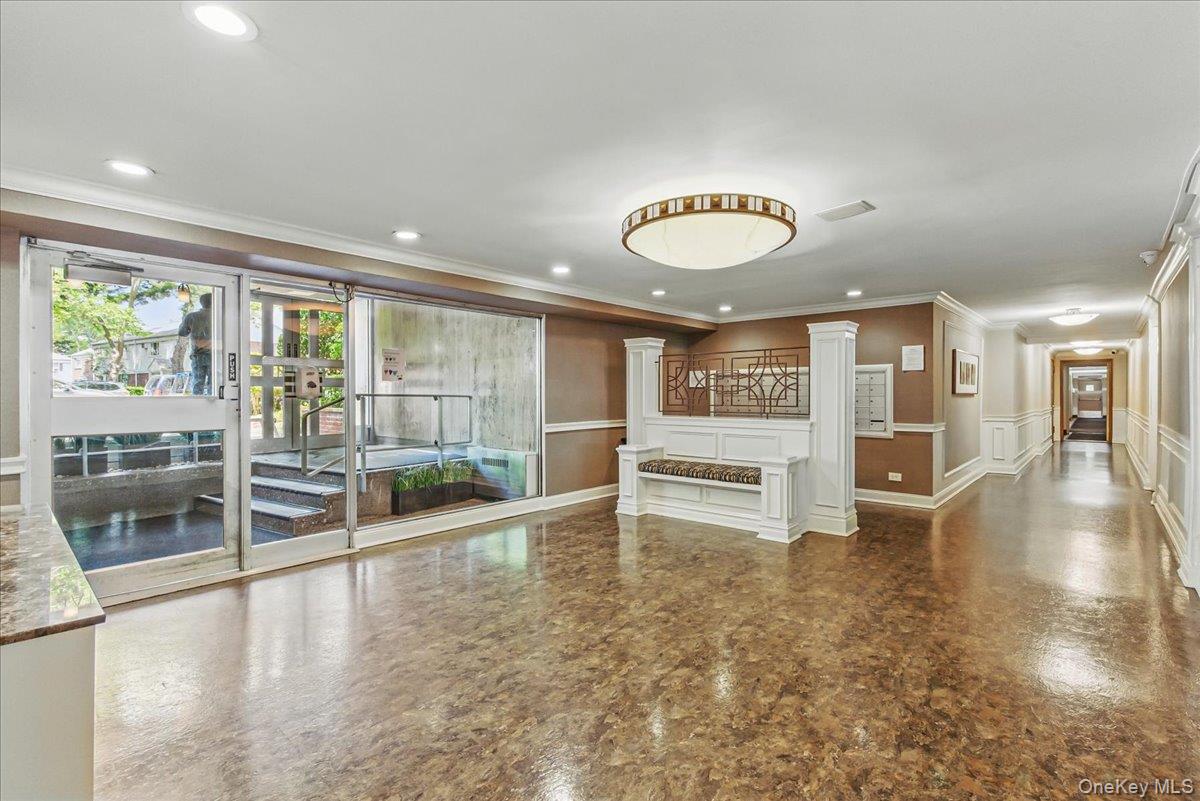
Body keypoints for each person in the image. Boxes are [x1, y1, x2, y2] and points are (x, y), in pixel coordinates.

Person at [178, 292, 213, 395]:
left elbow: (182, 332)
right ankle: (213, 409)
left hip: (198, 355)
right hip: (215, 355)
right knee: (214, 385)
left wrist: (186, 321)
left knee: (197, 384)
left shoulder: (192, 316)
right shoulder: (220, 317)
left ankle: (198, 409)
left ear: (201, 303)